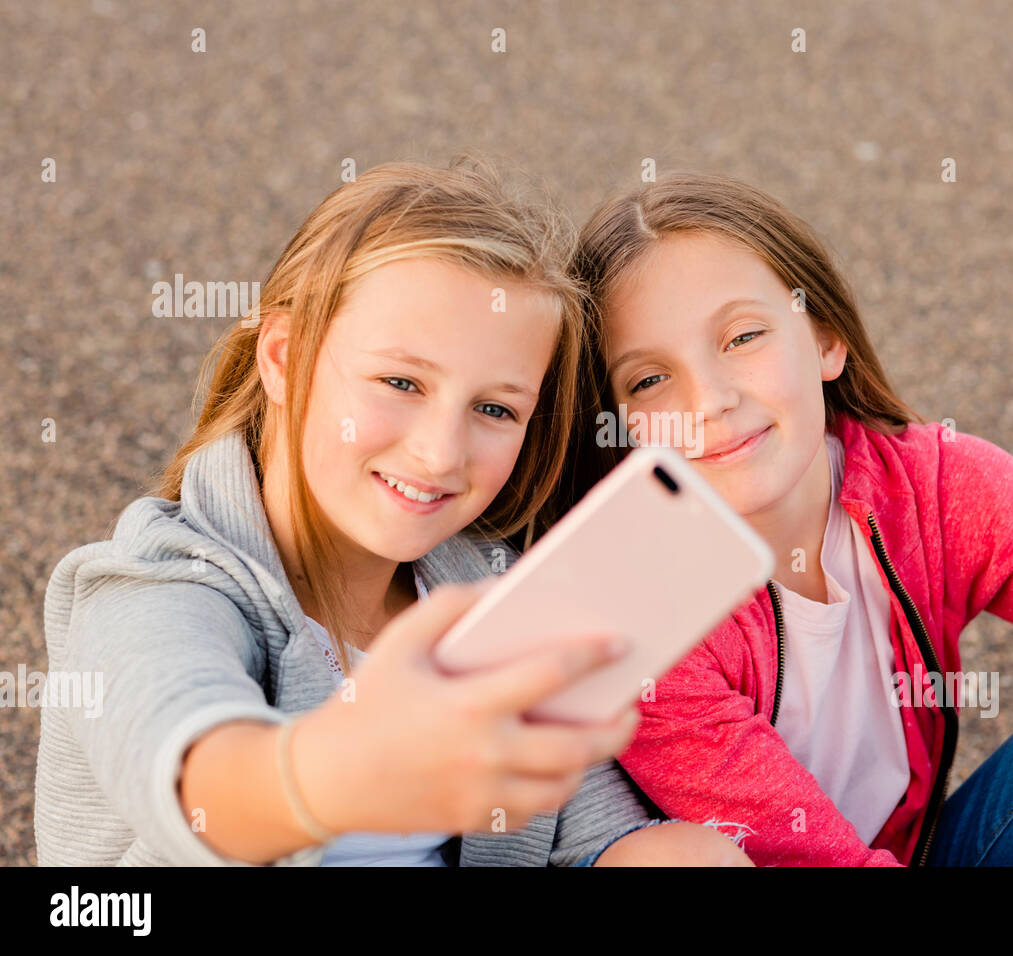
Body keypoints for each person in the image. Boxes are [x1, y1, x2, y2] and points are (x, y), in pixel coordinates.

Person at [541, 169, 1013, 867]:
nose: (710, 400)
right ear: (618, 423)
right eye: (649, 379)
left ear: (827, 338)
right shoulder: (643, 613)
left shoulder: (940, 489)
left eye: (743, 336)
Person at [34, 157, 751, 867]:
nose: (441, 453)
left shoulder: (481, 581)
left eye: (495, 408)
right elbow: (194, 771)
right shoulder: (150, 589)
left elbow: (593, 834)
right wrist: (329, 776)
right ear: (283, 358)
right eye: (401, 382)